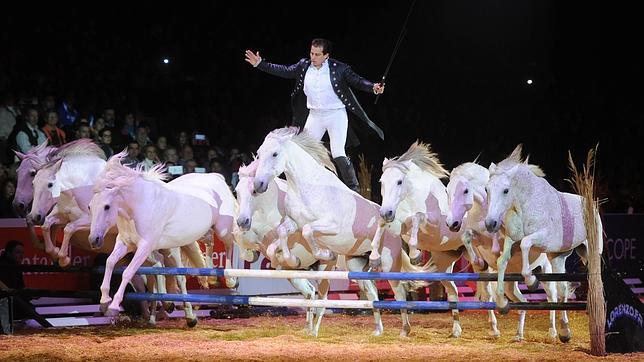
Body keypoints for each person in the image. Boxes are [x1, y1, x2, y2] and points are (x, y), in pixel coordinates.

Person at [245, 38, 384, 191]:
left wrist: (373, 87)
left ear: (326, 56)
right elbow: (284, 70)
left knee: (338, 151)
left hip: (335, 115)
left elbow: (357, 81)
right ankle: (305, 184)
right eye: (312, 53)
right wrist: (260, 64)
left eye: (317, 54)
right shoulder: (304, 66)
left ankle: (353, 187)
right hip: (315, 115)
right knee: (304, 151)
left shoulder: (340, 68)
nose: (313, 57)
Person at [0, 240, 25, 334]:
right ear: (8, 253)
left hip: (13, 298)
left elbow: (19, 286)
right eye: (18, 252)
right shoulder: (3, 265)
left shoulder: (15, 266)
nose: (21, 255)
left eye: (22, 252)